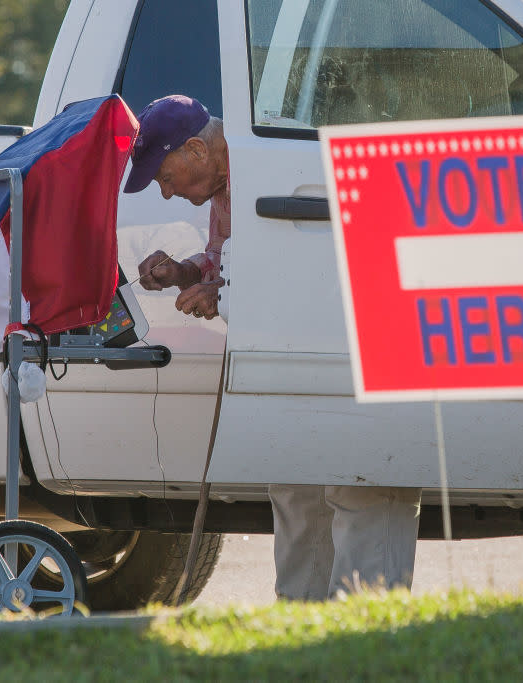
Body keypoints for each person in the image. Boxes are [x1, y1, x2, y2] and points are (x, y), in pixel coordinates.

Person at [125, 95, 422, 600]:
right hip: (288, 357)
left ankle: (363, 633)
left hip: (344, 346)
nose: (167, 193)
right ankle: (301, 627)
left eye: (165, 177)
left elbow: (299, 272)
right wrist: (188, 272)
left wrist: (224, 298)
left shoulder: (272, 161)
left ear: (197, 149)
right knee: (296, 487)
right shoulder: (228, 182)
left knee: (358, 485)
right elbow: (233, 258)